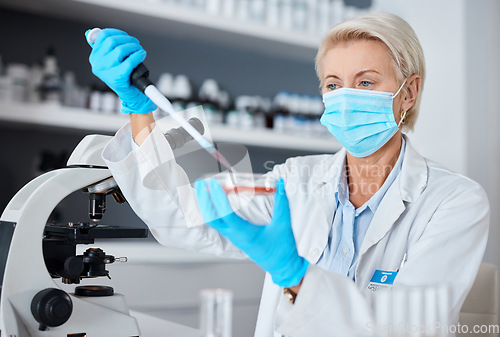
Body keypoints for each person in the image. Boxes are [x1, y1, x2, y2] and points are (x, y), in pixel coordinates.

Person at [86, 12, 489, 337]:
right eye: (333, 85)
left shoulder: (454, 201)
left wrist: (296, 276)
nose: (345, 97)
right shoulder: (296, 179)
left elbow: (410, 329)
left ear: (408, 92)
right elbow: (185, 217)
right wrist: (139, 107)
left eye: (365, 82)